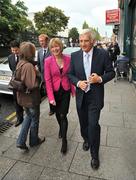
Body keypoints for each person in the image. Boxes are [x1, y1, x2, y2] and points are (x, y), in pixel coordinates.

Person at [68, 29, 115, 169]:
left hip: (95, 96)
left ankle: (95, 155)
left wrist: (99, 78)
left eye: (86, 41)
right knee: (84, 124)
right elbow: (70, 75)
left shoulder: (103, 54)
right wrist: (78, 83)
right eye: (81, 41)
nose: (83, 44)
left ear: (93, 42)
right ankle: (86, 139)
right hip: (81, 97)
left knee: (93, 125)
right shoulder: (74, 56)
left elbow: (111, 72)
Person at [44, 38, 75, 154]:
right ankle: (61, 129)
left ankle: (65, 140)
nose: (55, 49)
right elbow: (47, 80)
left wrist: (73, 90)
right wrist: (51, 98)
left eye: (56, 46)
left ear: (61, 47)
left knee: (63, 115)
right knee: (57, 114)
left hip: (66, 90)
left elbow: (71, 75)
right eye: (52, 47)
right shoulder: (48, 61)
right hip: (55, 92)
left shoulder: (69, 59)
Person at [16, 42, 45, 150]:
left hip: (23, 98)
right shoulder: (28, 66)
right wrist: (37, 75)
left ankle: (21, 141)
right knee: (35, 120)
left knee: (28, 117)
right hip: (31, 99)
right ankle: (34, 140)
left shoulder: (21, 63)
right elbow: (32, 84)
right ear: (30, 52)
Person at [37, 34, 54, 116]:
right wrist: (41, 76)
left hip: (53, 76)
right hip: (44, 77)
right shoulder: (39, 51)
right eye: (40, 41)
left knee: (54, 92)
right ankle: (52, 109)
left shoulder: (52, 50)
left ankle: (54, 107)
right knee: (48, 93)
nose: (41, 43)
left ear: (47, 41)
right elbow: (39, 65)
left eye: (42, 41)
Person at [8, 40, 24, 127]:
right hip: (15, 83)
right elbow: (12, 69)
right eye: (13, 50)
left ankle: (28, 115)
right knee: (16, 101)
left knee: (25, 100)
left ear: (19, 48)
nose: (15, 52)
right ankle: (19, 118)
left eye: (16, 50)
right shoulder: (10, 57)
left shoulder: (24, 56)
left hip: (24, 82)